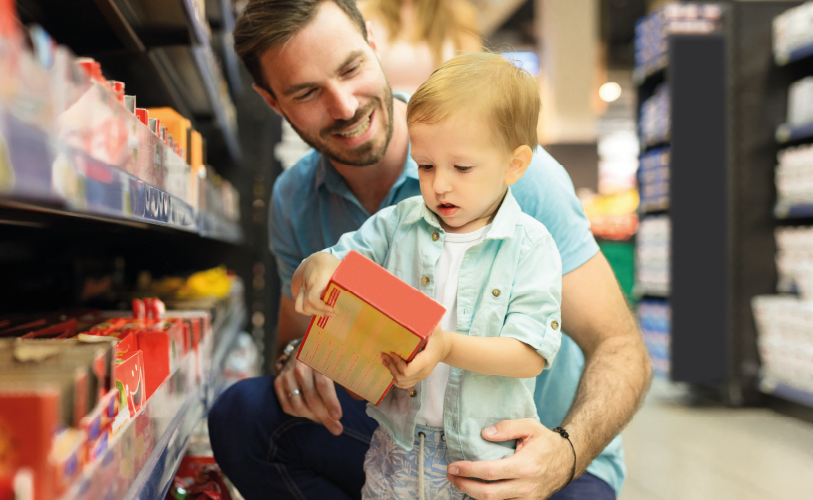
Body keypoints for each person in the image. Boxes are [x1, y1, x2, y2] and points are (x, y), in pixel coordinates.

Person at [208, 1, 653, 499]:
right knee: (243, 416)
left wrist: (565, 453)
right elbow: (294, 340)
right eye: (307, 92)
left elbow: (620, 347)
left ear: (373, 43)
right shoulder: (294, 198)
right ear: (272, 102)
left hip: (534, 445)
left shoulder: (515, 179)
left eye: (351, 68)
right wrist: (301, 360)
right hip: (404, 439)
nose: (344, 105)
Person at [290, 51, 563, 500]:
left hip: (485, 454)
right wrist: (316, 266)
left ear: (514, 165)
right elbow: (335, 262)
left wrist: (447, 346)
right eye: (426, 166)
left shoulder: (531, 246)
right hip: (395, 444)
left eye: (462, 168)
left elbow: (530, 353)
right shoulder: (399, 223)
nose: (439, 185)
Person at [358, 0, 482, 95]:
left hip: (440, 115)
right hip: (388, 114)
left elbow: (473, 76)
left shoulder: (457, 13)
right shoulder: (365, 13)